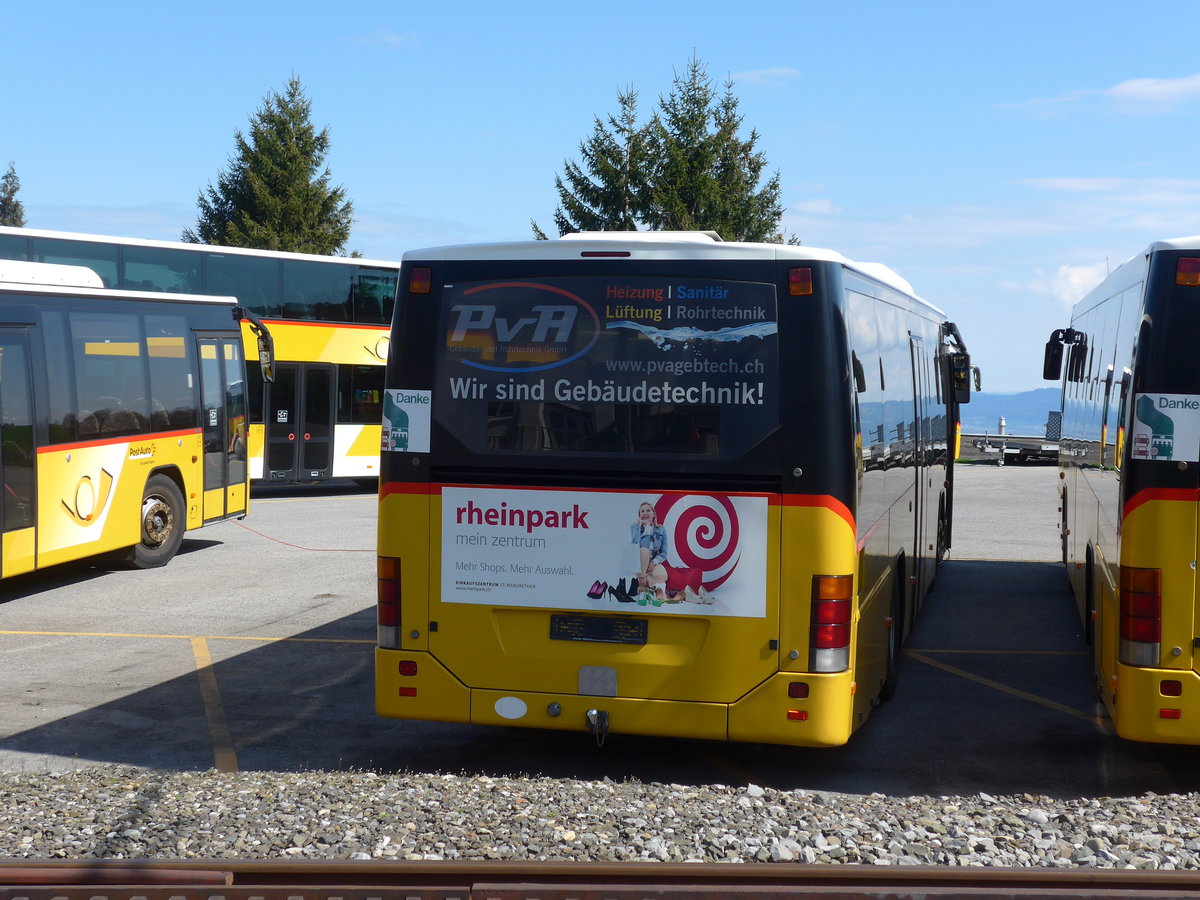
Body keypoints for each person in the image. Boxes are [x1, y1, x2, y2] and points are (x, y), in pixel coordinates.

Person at [630, 501, 669, 602]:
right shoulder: (635, 527)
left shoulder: (661, 529)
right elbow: (640, 546)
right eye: (642, 511)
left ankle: (642, 584)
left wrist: (654, 562)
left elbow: (664, 553)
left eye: (648, 510)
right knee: (643, 550)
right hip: (640, 561)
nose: (645, 513)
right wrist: (647, 528)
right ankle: (643, 582)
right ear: (639, 515)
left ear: (653, 514)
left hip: (653, 561)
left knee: (663, 575)